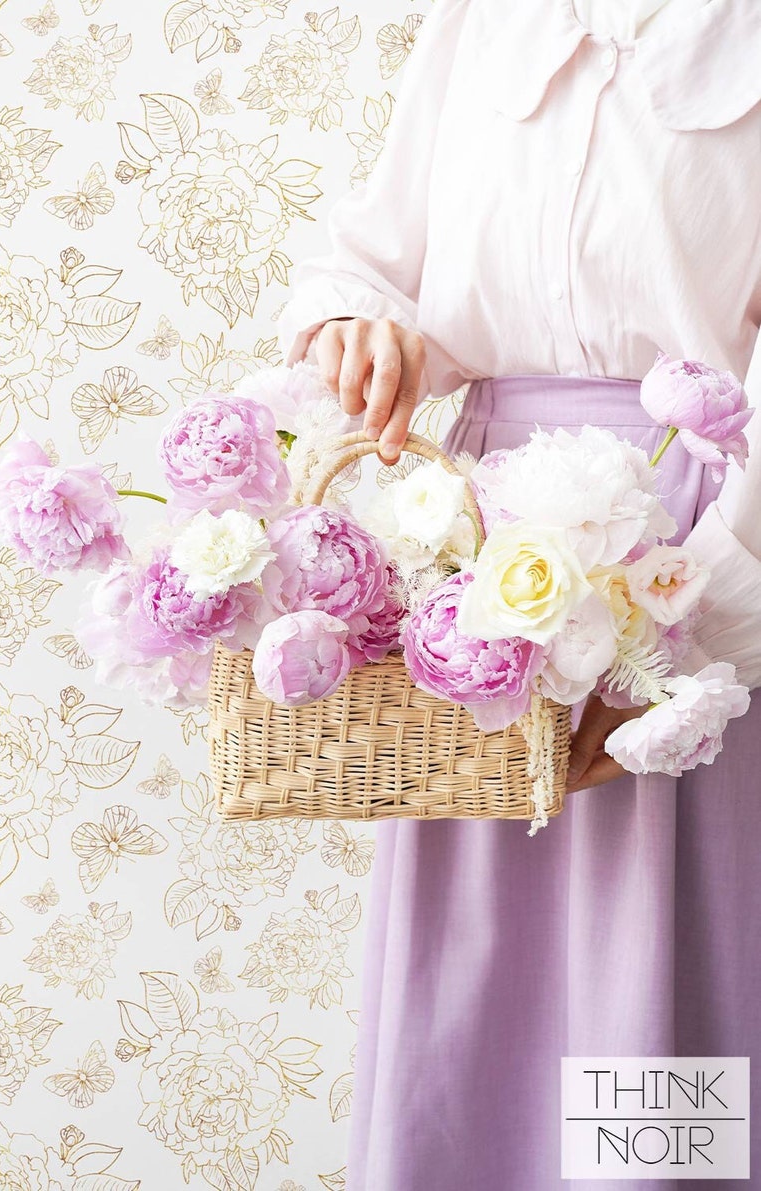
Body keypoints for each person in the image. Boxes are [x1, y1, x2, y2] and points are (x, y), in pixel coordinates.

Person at [276, 0, 761, 1186]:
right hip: (478, 562)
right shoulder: (483, 20)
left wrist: (699, 617)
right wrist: (361, 328)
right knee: (471, 963)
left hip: (683, 543)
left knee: (648, 955)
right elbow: (370, 258)